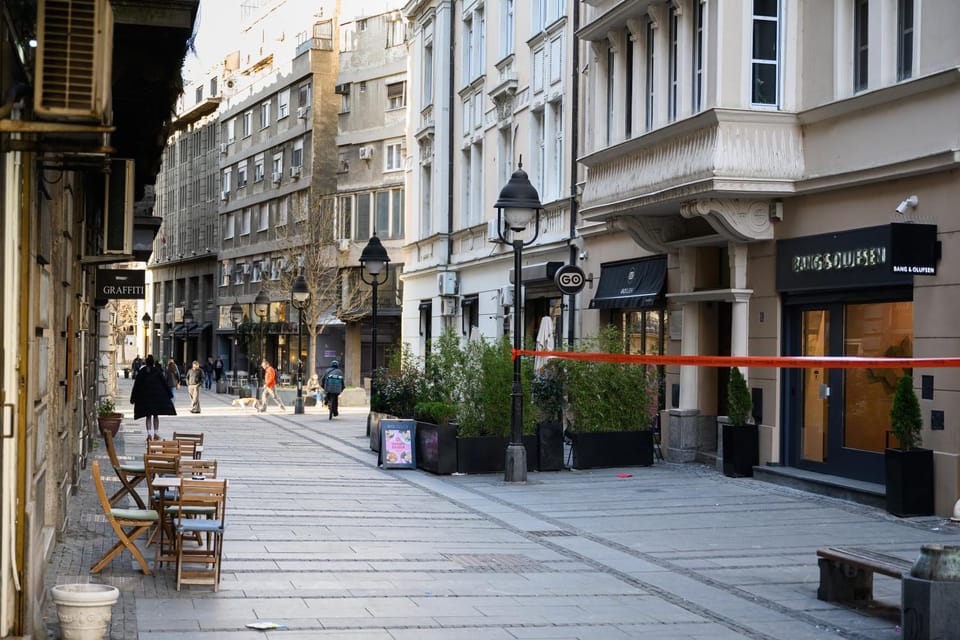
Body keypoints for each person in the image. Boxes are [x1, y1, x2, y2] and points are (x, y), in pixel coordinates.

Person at [130, 354, 176, 441]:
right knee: (155, 416)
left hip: (145, 399)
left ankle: (149, 435)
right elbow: (164, 384)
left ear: (146, 363)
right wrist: (170, 395)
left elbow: (136, 385)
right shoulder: (157, 371)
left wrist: (133, 398)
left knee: (148, 416)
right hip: (156, 399)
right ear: (153, 363)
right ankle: (156, 434)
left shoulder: (142, 372)